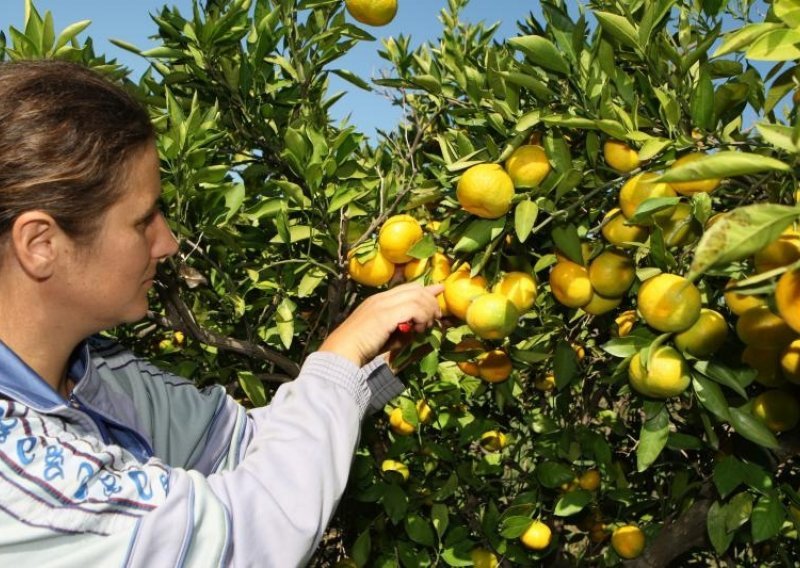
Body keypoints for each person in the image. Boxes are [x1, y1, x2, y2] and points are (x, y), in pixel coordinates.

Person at [0, 59, 442, 566]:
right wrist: (339, 352)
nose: (166, 242)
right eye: (143, 221)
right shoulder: (14, 471)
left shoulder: (102, 373)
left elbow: (246, 446)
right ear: (41, 244)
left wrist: (373, 367)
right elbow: (241, 537)